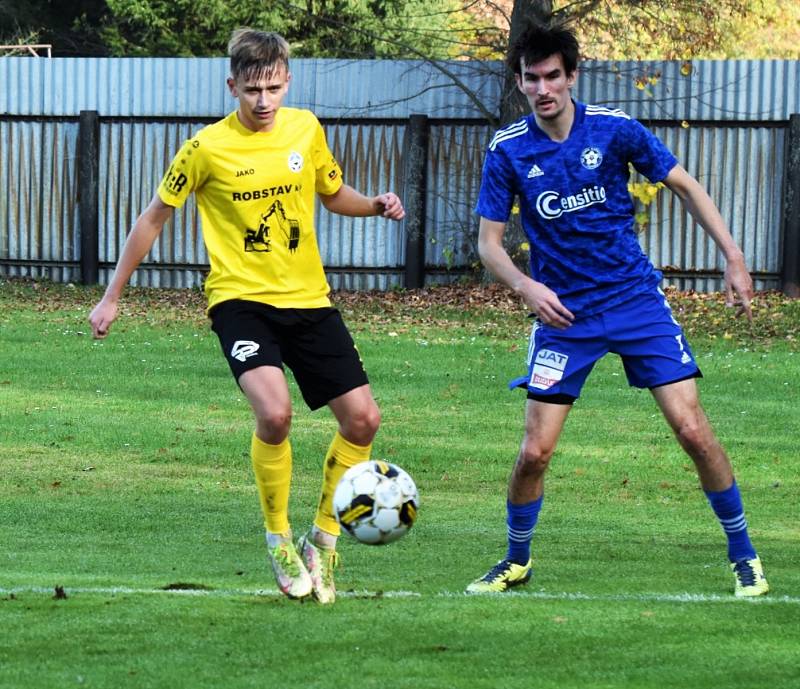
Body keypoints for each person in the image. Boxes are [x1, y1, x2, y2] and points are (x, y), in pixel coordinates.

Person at [89, 29, 405, 604]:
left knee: (362, 421)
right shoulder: (205, 148)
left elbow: (333, 193)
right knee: (275, 413)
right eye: (253, 89)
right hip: (240, 302)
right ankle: (278, 536)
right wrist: (112, 295)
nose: (264, 101)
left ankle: (323, 541)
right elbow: (153, 219)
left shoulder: (306, 129)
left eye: (275, 88)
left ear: (288, 82)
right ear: (232, 85)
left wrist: (375, 205)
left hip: (309, 300)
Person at [466, 20, 768, 597]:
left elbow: (686, 185)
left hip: (635, 304)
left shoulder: (615, 131)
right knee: (534, 452)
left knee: (693, 431)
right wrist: (528, 288)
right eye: (532, 78)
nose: (543, 88)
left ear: (572, 76)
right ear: (520, 82)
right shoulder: (508, 150)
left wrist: (732, 256)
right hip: (563, 317)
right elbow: (488, 244)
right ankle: (515, 559)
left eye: (554, 76)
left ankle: (744, 554)